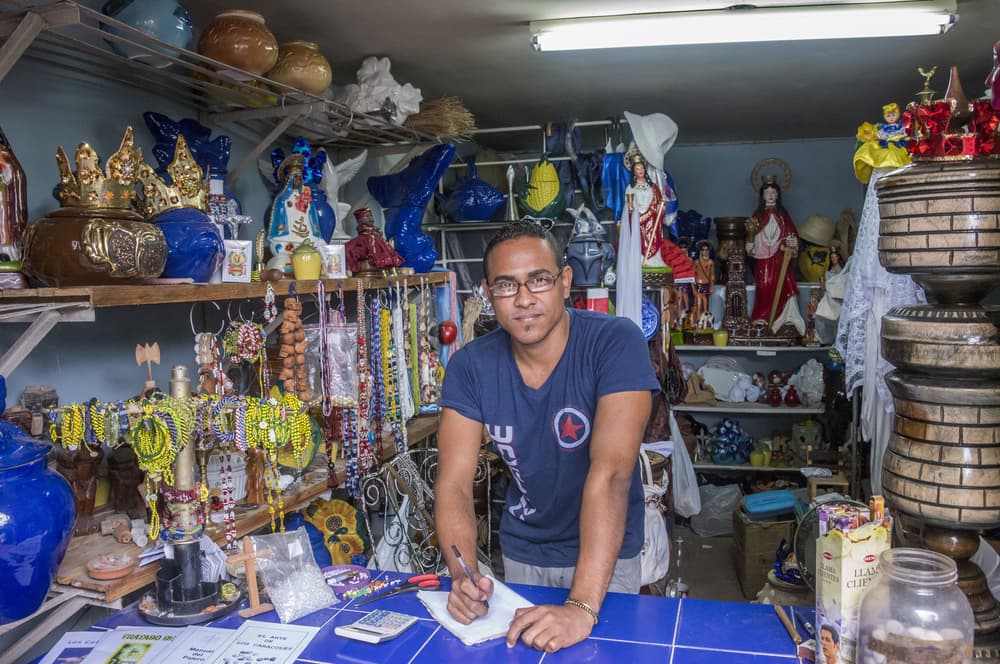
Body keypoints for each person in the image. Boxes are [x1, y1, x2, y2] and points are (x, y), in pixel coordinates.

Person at [435, 220, 659, 654]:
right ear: (487, 292)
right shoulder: (470, 367)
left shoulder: (615, 342)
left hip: (606, 558)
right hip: (525, 552)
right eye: (505, 285)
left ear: (565, 281)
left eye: (538, 280)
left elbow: (612, 472)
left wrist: (581, 605)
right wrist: (462, 574)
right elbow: (454, 484)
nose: (523, 300)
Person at [745, 176, 805, 335]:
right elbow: (750, 242)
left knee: (786, 286)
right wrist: (751, 238)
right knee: (764, 286)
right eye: (767, 192)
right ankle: (763, 319)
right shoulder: (757, 215)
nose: (770, 195)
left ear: (778, 195)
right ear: (762, 196)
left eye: (773, 192)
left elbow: (791, 234)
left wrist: (792, 242)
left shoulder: (783, 215)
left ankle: (784, 321)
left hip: (780, 257)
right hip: (763, 259)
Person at [692, 241, 715, 328]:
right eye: (703, 250)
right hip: (698, 285)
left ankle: (704, 321)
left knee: (705, 304)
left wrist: (712, 286)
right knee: (698, 303)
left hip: (706, 285)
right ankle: (698, 321)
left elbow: (712, 275)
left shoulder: (710, 262)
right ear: (700, 252)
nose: (705, 252)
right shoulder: (697, 262)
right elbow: (692, 275)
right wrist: (693, 288)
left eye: (707, 250)